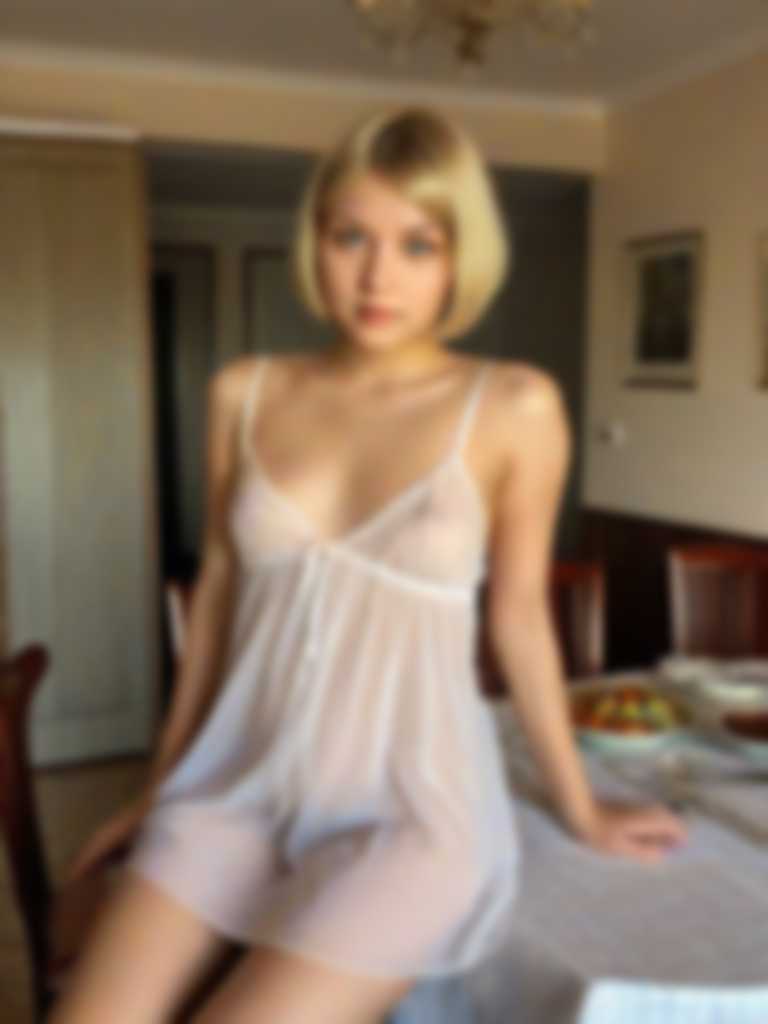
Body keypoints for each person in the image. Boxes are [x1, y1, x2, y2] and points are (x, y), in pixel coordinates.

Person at [48, 106, 686, 1024]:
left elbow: (519, 619)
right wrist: (160, 783)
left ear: (459, 259)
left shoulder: (513, 406)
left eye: (417, 244)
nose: (378, 275)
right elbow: (218, 599)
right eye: (352, 237)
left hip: (409, 813)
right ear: (316, 242)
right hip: (238, 789)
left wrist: (579, 807)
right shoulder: (244, 392)